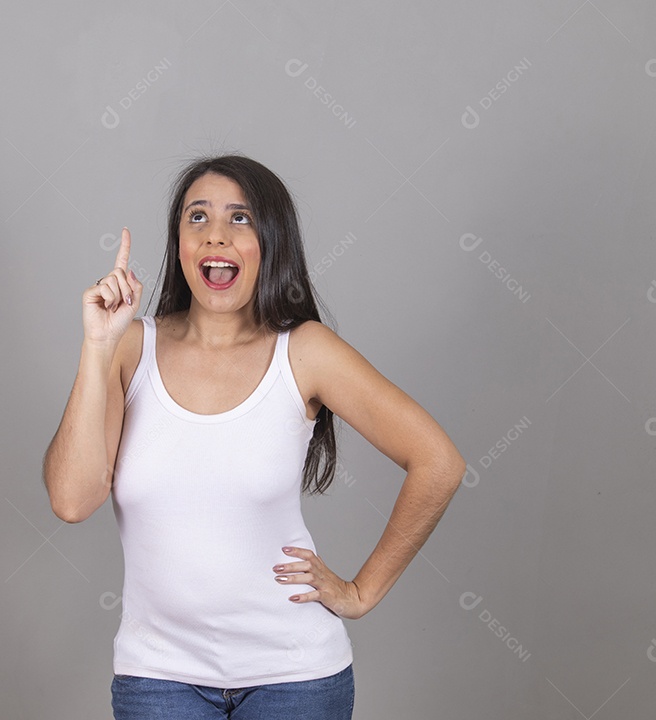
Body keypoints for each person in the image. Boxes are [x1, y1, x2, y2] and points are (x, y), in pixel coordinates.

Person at [43, 154, 466, 719]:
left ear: (270, 240)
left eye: (240, 219)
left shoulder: (305, 351)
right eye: (198, 217)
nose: (216, 235)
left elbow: (438, 461)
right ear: (179, 242)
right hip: (158, 678)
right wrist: (96, 348)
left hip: (295, 678)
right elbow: (72, 500)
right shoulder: (128, 348)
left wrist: (360, 593)